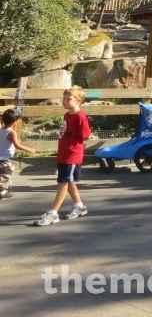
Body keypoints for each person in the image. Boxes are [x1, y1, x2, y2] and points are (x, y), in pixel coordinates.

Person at [34, 86, 91, 225]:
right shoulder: (67, 115)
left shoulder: (80, 116)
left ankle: (53, 213)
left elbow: (85, 136)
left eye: (68, 99)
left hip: (72, 155)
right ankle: (79, 206)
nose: (64, 101)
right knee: (69, 181)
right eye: (64, 99)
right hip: (64, 153)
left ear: (78, 101)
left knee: (63, 183)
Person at [1, 109, 36, 198]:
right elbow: (17, 145)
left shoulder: (0, 130)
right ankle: (3, 192)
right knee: (7, 175)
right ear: (15, 122)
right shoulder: (11, 132)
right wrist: (29, 149)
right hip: (6, 159)